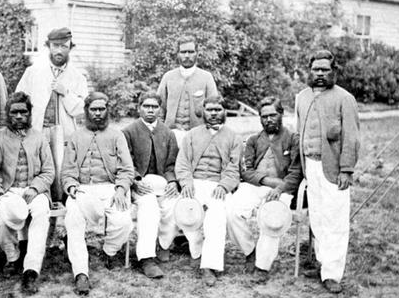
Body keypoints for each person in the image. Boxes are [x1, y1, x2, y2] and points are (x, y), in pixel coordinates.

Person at [295, 50, 360, 294]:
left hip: (333, 168)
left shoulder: (345, 98)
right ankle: (322, 262)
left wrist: (346, 170)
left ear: (333, 71)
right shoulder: (302, 97)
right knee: (319, 217)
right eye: (316, 70)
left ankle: (332, 274)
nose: (320, 74)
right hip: (310, 167)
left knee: (336, 220)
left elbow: (352, 138)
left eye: (325, 70)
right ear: (309, 71)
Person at [61, 92, 134, 295]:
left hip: (110, 188)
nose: (98, 114)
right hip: (82, 189)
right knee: (73, 220)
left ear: (107, 111)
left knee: (124, 222)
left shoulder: (116, 135)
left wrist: (120, 189)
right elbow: (67, 170)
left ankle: (108, 251)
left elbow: (127, 169)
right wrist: (72, 187)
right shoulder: (76, 136)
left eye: (102, 109)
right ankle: (81, 273)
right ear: (86, 111)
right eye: (94, 109)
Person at [0, 91, 55, 295]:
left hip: (34, 190)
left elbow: (48, 171)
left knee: (41, 213)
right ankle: (13, 257)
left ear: (30, 113)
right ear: (8, 114)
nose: (19, 117)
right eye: (14, 113)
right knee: (3, 219)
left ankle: (31, 269)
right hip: (8, 190)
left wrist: (35, 188)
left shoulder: (39, 138)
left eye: (23, 112)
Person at [226, 96, 303, 283]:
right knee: (230, 211)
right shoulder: (253, 140)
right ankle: (250, 250)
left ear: (281, 114)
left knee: (272, 218)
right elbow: (246, 171)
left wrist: (281, 187)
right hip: (255, 186)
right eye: (264, 116)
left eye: (273, 115)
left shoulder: (293, 139)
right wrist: (269, 182)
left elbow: (296, 172)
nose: (268, 119)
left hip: (282, 190)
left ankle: (262, 266)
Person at [174, 95, 242, 286]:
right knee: (185, 212)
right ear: (203, 112)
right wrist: (186, 183)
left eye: (218, 109)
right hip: (194, 182)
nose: (214, 114)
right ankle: (197, 249)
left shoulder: (233, 137)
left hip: (218, 185)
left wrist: (224, 185)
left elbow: (234, 168)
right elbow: (182, 164)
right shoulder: (191, 135)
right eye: (210, 110)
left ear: (224, 111)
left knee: (216, 218)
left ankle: (209, 265)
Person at [16, 27, 89, 201]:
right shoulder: (33, 72)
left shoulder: (78, 76)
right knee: (38, 169)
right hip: (38, 130)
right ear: (48, 46)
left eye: (64, 46)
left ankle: (60, 211)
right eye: (55, 46)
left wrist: (65, 93)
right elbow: (19, 100)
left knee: (60, 171)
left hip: (63, 133)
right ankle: (40, 209)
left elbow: (82, 109)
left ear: (70, 48)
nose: (59, 50)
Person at [121, 92, 179, 279]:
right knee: (150, 207)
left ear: (160, 109)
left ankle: (163, 245)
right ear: (139, 108)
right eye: (146, 106)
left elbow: (172, 163)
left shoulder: (167, 133)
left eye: (154, 106)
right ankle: (146, 258)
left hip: (162, 184)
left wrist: (172, 181)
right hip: (140, 186)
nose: (150, 110)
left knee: (172, 205)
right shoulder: (129, 132)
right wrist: (135, 180)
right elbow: (125, 162)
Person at [157, 35, 218, 142]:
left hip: (198, 135)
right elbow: (159, 107)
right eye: (183, 52)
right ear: (177, 54)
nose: (187, 55)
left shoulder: (206, 77)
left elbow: (215, 109)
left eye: (191, 52)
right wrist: (161, 131)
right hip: (171, 135)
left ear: (197, 54)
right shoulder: (168, 77)